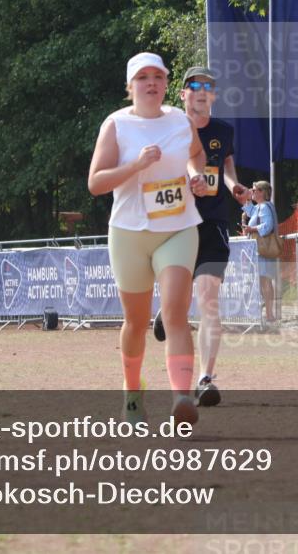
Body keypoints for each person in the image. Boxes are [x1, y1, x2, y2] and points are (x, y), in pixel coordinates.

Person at [88, 52, 208, 426]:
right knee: (136, 322)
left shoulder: (180, 120)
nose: (151, 83)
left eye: (158, 76)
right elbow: (95, 183)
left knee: (174, 311)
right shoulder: (116, 125)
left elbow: (197, 154)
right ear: (130, 86)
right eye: (142, 77)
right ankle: (132, 392)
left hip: (178, 227)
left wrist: (195, 175)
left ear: (167, 83)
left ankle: (182, 399)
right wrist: (136, 165)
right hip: (129, 231)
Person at [153, 67, 249, 408]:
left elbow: (225, 166)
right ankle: (167, 310)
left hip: (212, 222)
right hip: (178, 223)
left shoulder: (223, 130)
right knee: (178, 298)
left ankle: (205, 378)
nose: (202, 91)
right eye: (195, 85)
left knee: (208, 298)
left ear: (214, 96)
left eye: (209, 86)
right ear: (183, 94)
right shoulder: (168, 129)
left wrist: (233, 186)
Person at [242, 181, 279, 324]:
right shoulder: (260, 207)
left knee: (265, 281)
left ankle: (269, 314)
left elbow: (268, 226)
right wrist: (245, 198)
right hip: (262, 249)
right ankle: (268, 313)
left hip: (263, 249)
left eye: (255, 190)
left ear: (263, 192)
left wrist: (251, 229)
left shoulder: (263, 207)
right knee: (264, 280)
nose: (253, 192)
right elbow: (251, 211)